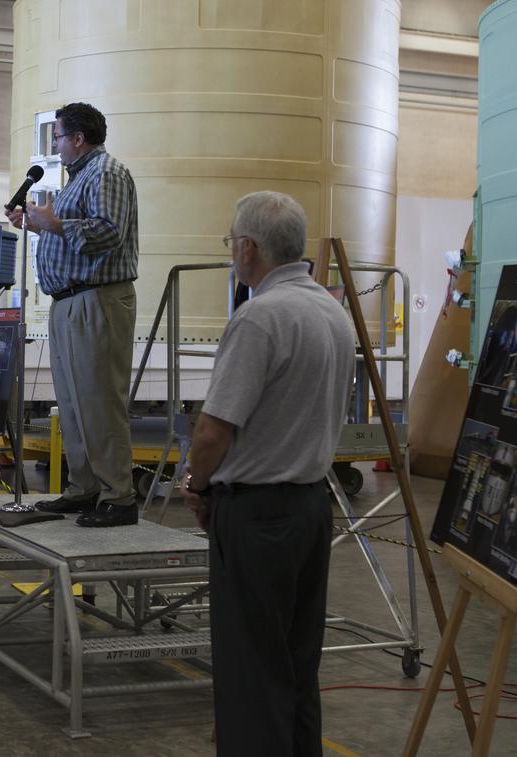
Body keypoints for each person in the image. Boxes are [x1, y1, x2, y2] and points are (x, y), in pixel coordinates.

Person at [179, 191, 354, 757]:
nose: (232, 251)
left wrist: (196, 486)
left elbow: (213, 431)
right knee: (296, 668)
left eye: (232, 241)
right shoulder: (334, 313)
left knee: (252, 676)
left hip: (257, 518)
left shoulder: (260, 318)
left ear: (249, 248)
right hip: (310, 511)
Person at [6, 102, 140, 528]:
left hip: (97, 300)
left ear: (78, 138)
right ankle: (86, 488)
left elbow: (108, 233)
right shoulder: (79, 179)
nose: (58, 145)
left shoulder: (107, 173)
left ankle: (119, 497)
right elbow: (69, 229)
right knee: (75, 403)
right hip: (71, 302)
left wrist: (55, 223)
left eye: (60, 137)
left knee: (100, 402)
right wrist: (36, 223)